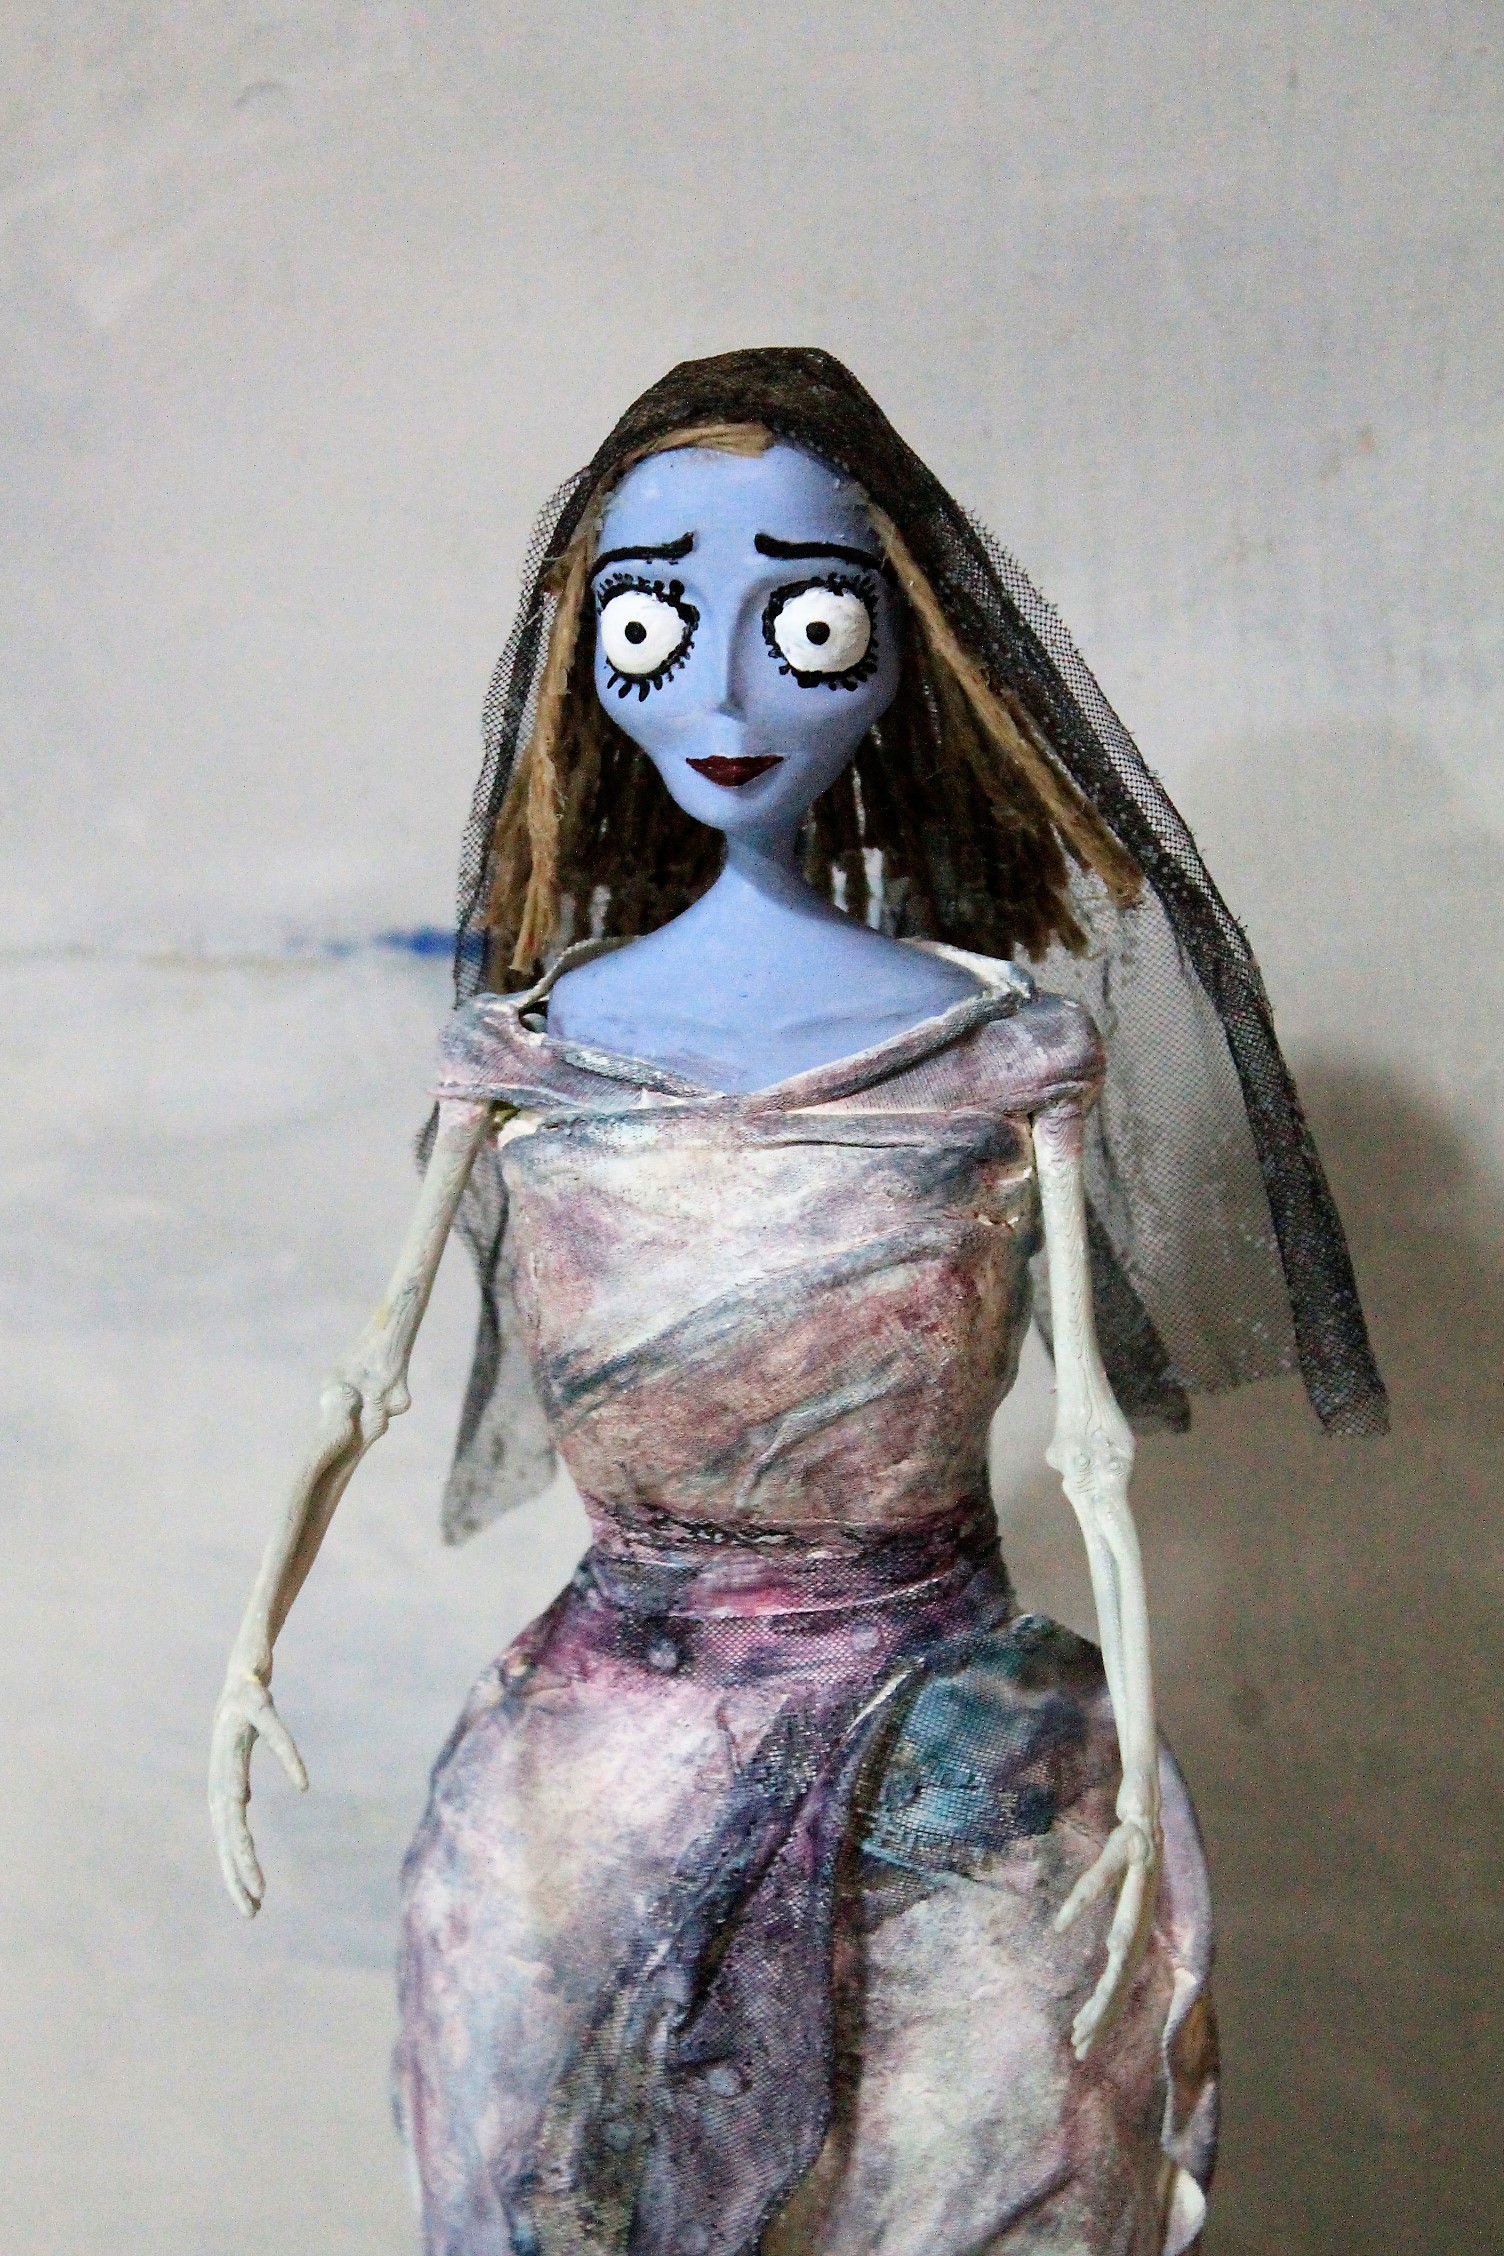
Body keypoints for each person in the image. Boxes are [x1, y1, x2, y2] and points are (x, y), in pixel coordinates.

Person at [210, 350, 1385, 2256]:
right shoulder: (526, 1054)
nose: (730, 698)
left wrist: (1125, 1773)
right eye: (656, 626)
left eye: (808, 623)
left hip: (960, 1773)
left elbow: (1091, 1445)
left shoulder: (1003, 1052)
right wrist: (249, 1662)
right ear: (593, 661)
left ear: (900, 648)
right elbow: (371, 1375)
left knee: (972, 2174)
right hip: (589, 1786)